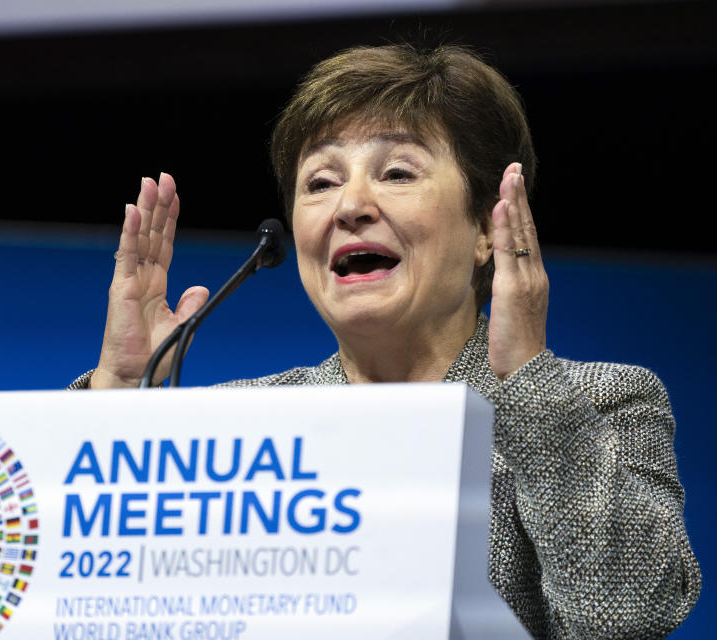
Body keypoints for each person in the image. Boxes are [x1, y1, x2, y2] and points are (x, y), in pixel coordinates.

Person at [69, 44, 700, 638]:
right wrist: (123, 404)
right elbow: (78, 606)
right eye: (320, 182)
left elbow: (627, 615)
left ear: (488, 227)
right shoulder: (240, 426)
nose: (350, 205)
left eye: (397, 172)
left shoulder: (601, 403)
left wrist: (527, 379)